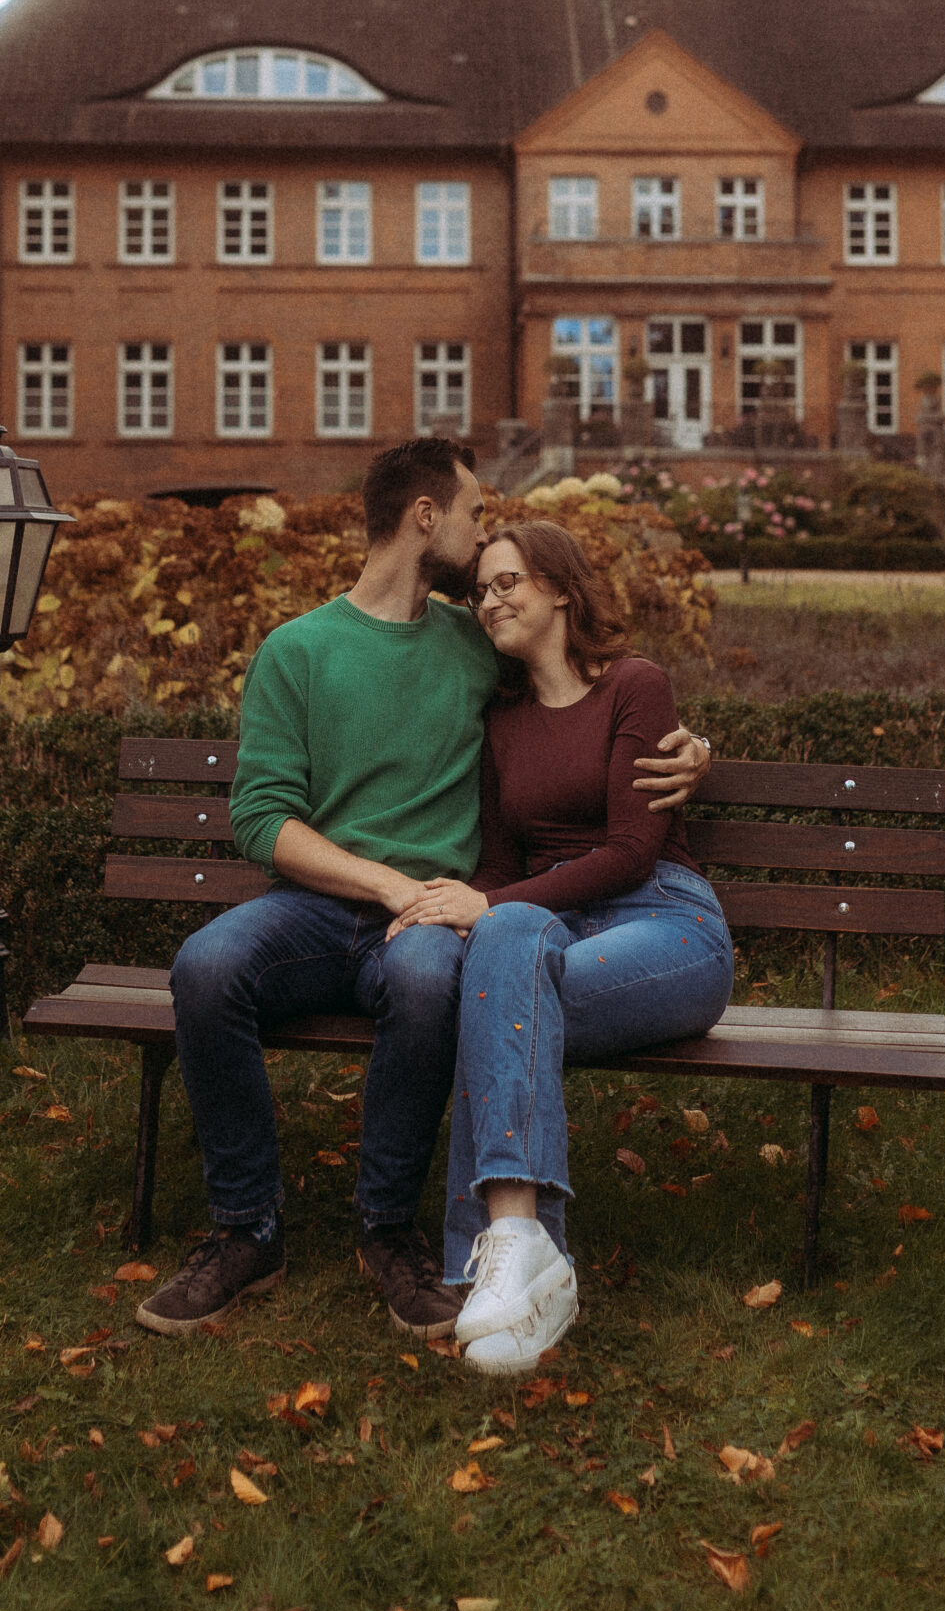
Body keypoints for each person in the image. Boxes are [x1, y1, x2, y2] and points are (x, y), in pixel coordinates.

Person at [134, 439, 711, 1342]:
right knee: (206, 967)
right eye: (476, 516)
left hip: (441, 918)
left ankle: (388, 1232)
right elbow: (260, 820)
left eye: (504, 573)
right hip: (330, 909)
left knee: (431, 981)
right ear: (426, 518)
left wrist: (690, 746)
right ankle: (246, 1231)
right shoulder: (298, 650)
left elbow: (585, 690)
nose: (486, 563)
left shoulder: (477, 647)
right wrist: (390, 886)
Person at [387, 519, 735, 1376]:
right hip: (550, 934)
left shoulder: (632, 686)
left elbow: (628, 853)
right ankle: (524, 1262)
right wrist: (490, 906)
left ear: (560, 590)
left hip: (663, 924)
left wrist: (486, 908)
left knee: (496, 973)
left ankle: (488, 1258)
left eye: (508, 583)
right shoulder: (500, 724)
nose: (490, 600)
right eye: (481, 591)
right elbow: (504, 868)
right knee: (500, 964)